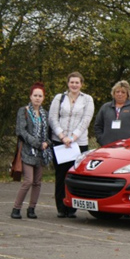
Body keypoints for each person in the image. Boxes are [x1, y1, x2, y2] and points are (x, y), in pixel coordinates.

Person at [49, 72, 95, 218]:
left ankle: (72, 208)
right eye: (72, 82)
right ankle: (61, 207)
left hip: (78, 143)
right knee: (61, 175)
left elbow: (86, 120)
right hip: (60, 142)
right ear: (68, 83)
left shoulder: (87, 99)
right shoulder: (59, 98)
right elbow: (52, 118)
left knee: (75, 175)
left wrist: (73, 137)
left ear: (81, 84)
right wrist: (62, 136)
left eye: (77, 82)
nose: (74, 85)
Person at [11, 82, 53, 219]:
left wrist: (46, 143)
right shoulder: (23, 111)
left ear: (43, 98)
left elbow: (48, 134)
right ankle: (16, 209)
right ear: (30, 96)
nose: (37, 98)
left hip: (41, 153)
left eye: (40, 96)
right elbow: (21, 131)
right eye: (35, 95)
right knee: (28, 180)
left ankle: (31, 208)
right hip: (27, 151)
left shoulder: (45, 114)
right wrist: (36, 143)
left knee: (37, 182)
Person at [94, 80, 130, 146]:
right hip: (108, 146)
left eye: (123, 92)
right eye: (117, 92)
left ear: (127, 94)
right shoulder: (106, 107)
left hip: (129, 147)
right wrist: (102, 139)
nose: (120, 94)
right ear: (113, 93)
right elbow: (98, 126)